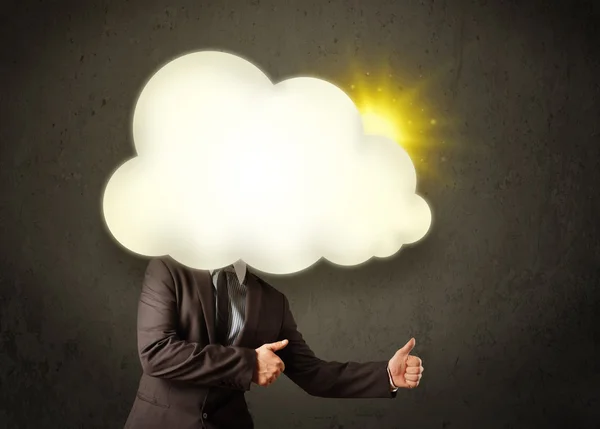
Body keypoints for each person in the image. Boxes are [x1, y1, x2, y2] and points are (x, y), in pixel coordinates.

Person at [124, 257, 424, 429]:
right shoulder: (169, 268)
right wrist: (249, 363)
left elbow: (314, 375)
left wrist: (385, 375)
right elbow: (155, 352)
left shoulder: (272, 302)